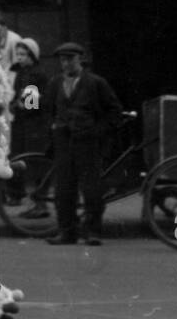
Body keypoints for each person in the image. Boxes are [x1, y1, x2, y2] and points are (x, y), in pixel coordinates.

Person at [47, 43, 123, 247]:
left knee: (91, 191)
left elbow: (114, 112)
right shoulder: (55, 83)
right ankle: (67, 232)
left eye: (70, 59)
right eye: (63, 59)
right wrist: (54, 129)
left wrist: (97, 131)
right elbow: (49, 109)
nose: (66, 63)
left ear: (80, 59)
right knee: (64, 190)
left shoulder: (96, 83)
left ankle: (93, 232)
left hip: (88, 143)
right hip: (63, 142)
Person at [9, 38, 51, 157]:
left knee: (31, 152)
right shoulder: (20, 73)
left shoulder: (36, 74)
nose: (19, 58)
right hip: (20, 122)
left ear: (32, 55)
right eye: (17, 54)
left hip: (34, 123)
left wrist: (20, 103)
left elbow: (30, 105)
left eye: (23, 54)